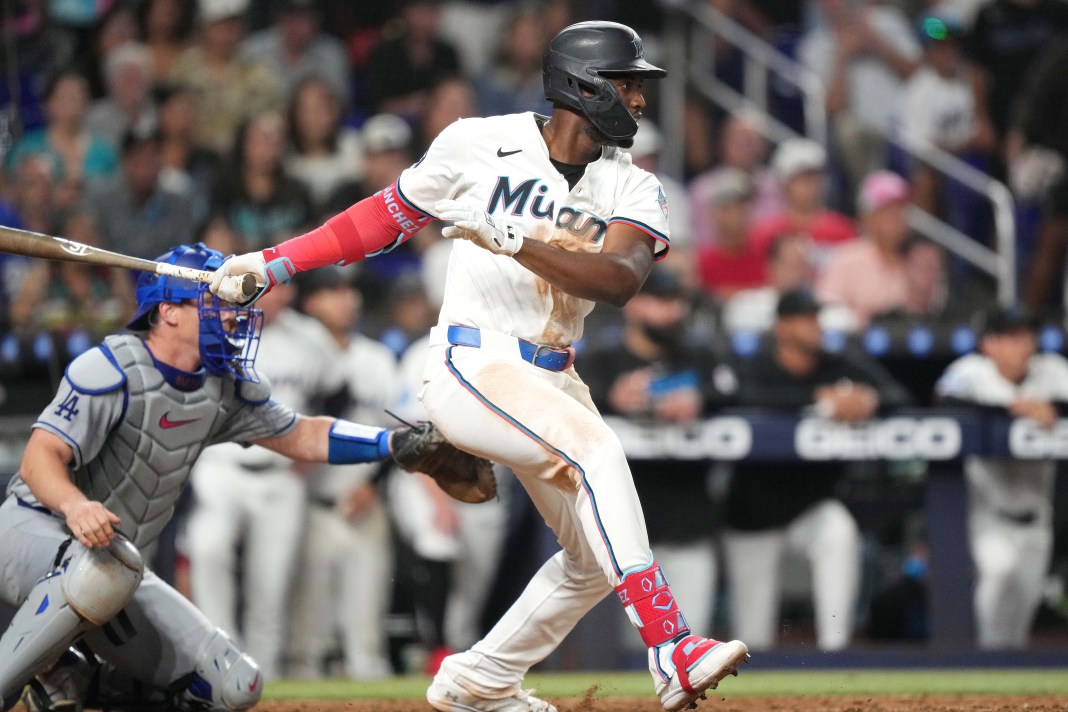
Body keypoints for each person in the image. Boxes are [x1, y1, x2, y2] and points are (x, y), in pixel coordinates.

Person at [209, 20, 749, 712]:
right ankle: (671, 646)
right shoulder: (477, 142)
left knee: (592, 556)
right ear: (582, 85)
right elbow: (382, 217)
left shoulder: (632, 188)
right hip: (474, 361)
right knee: (597, 450)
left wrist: (516, 240)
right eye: (628, 84)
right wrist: (273, 263)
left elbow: (618, 280)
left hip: (554, 376)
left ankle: (479, 679)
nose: (638, 101)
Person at [0, 243, 430, 711]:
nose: (232, 314)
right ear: (168, 311)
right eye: (216, 301)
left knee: (232, 687)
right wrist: (75, 504)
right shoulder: (110, 368)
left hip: (116, 566)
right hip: (33, 534)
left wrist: (392, 444)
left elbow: (304, 435)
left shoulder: (224, 386)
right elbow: (39, 458)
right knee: (98, 573)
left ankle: (74, 679)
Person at [722, 287, 913, 651]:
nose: (815, 326)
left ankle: (835, 651)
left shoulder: (838, 364)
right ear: (782, 326)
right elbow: (738, 398)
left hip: (810, 505)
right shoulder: (756, 364)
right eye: (804, 319)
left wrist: (866, 400)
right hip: (752, 510)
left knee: (839, 532)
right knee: (752, 635)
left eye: (816, 317)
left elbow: (898, 395)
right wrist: (818, 402)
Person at [183, 277, 343, 680]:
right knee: (209, 549)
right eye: (272, 286)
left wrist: (308, 454)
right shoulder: (215, 325)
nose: (281, 294)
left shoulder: (310, 337)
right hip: (220, 467)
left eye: (286, 287)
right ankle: (219, 663)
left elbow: (338, 391)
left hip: (282, 474)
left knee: (270, 584)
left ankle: (263, 682)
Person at [581, 269, 735, 661]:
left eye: (675, 302)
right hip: (621, 537)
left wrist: (698, 400)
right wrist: (612, 398)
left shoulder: (698, 355)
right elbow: (563, 405)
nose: (671, 312)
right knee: (628, 657)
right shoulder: (602, 359)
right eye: (660, 301)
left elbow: (736, 392)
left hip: (688, 524)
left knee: (687, 652)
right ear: (633, 304)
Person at [285, 267, 397, 680]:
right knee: (306, 637)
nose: (347, 299)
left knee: (366, 634)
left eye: (349, 291)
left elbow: (401, 434)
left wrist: (374, 486)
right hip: (311, 502)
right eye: (334, 291)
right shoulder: (297, 358)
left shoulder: (378, 359)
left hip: (365, 500)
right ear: (311, 302)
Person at [934, 305, 1068, 649]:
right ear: (987, 344)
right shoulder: (971, 372)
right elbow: (941, 402)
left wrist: (1052, 407)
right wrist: (1010, 410)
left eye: (1027, 336)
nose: (1023, 345)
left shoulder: (1052, 371)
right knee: (998, 574)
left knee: (1020, 622)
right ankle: (981, 669)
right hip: (989, 513)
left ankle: (1005, 690)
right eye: (1011, 337)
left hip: (1038, 517)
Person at [816, 170, 913, 328]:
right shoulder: (846, 258)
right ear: (867, 216)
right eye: (887, 210)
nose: (897, 217)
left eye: (901, 209)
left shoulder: (915, 259)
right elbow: (827, 311)